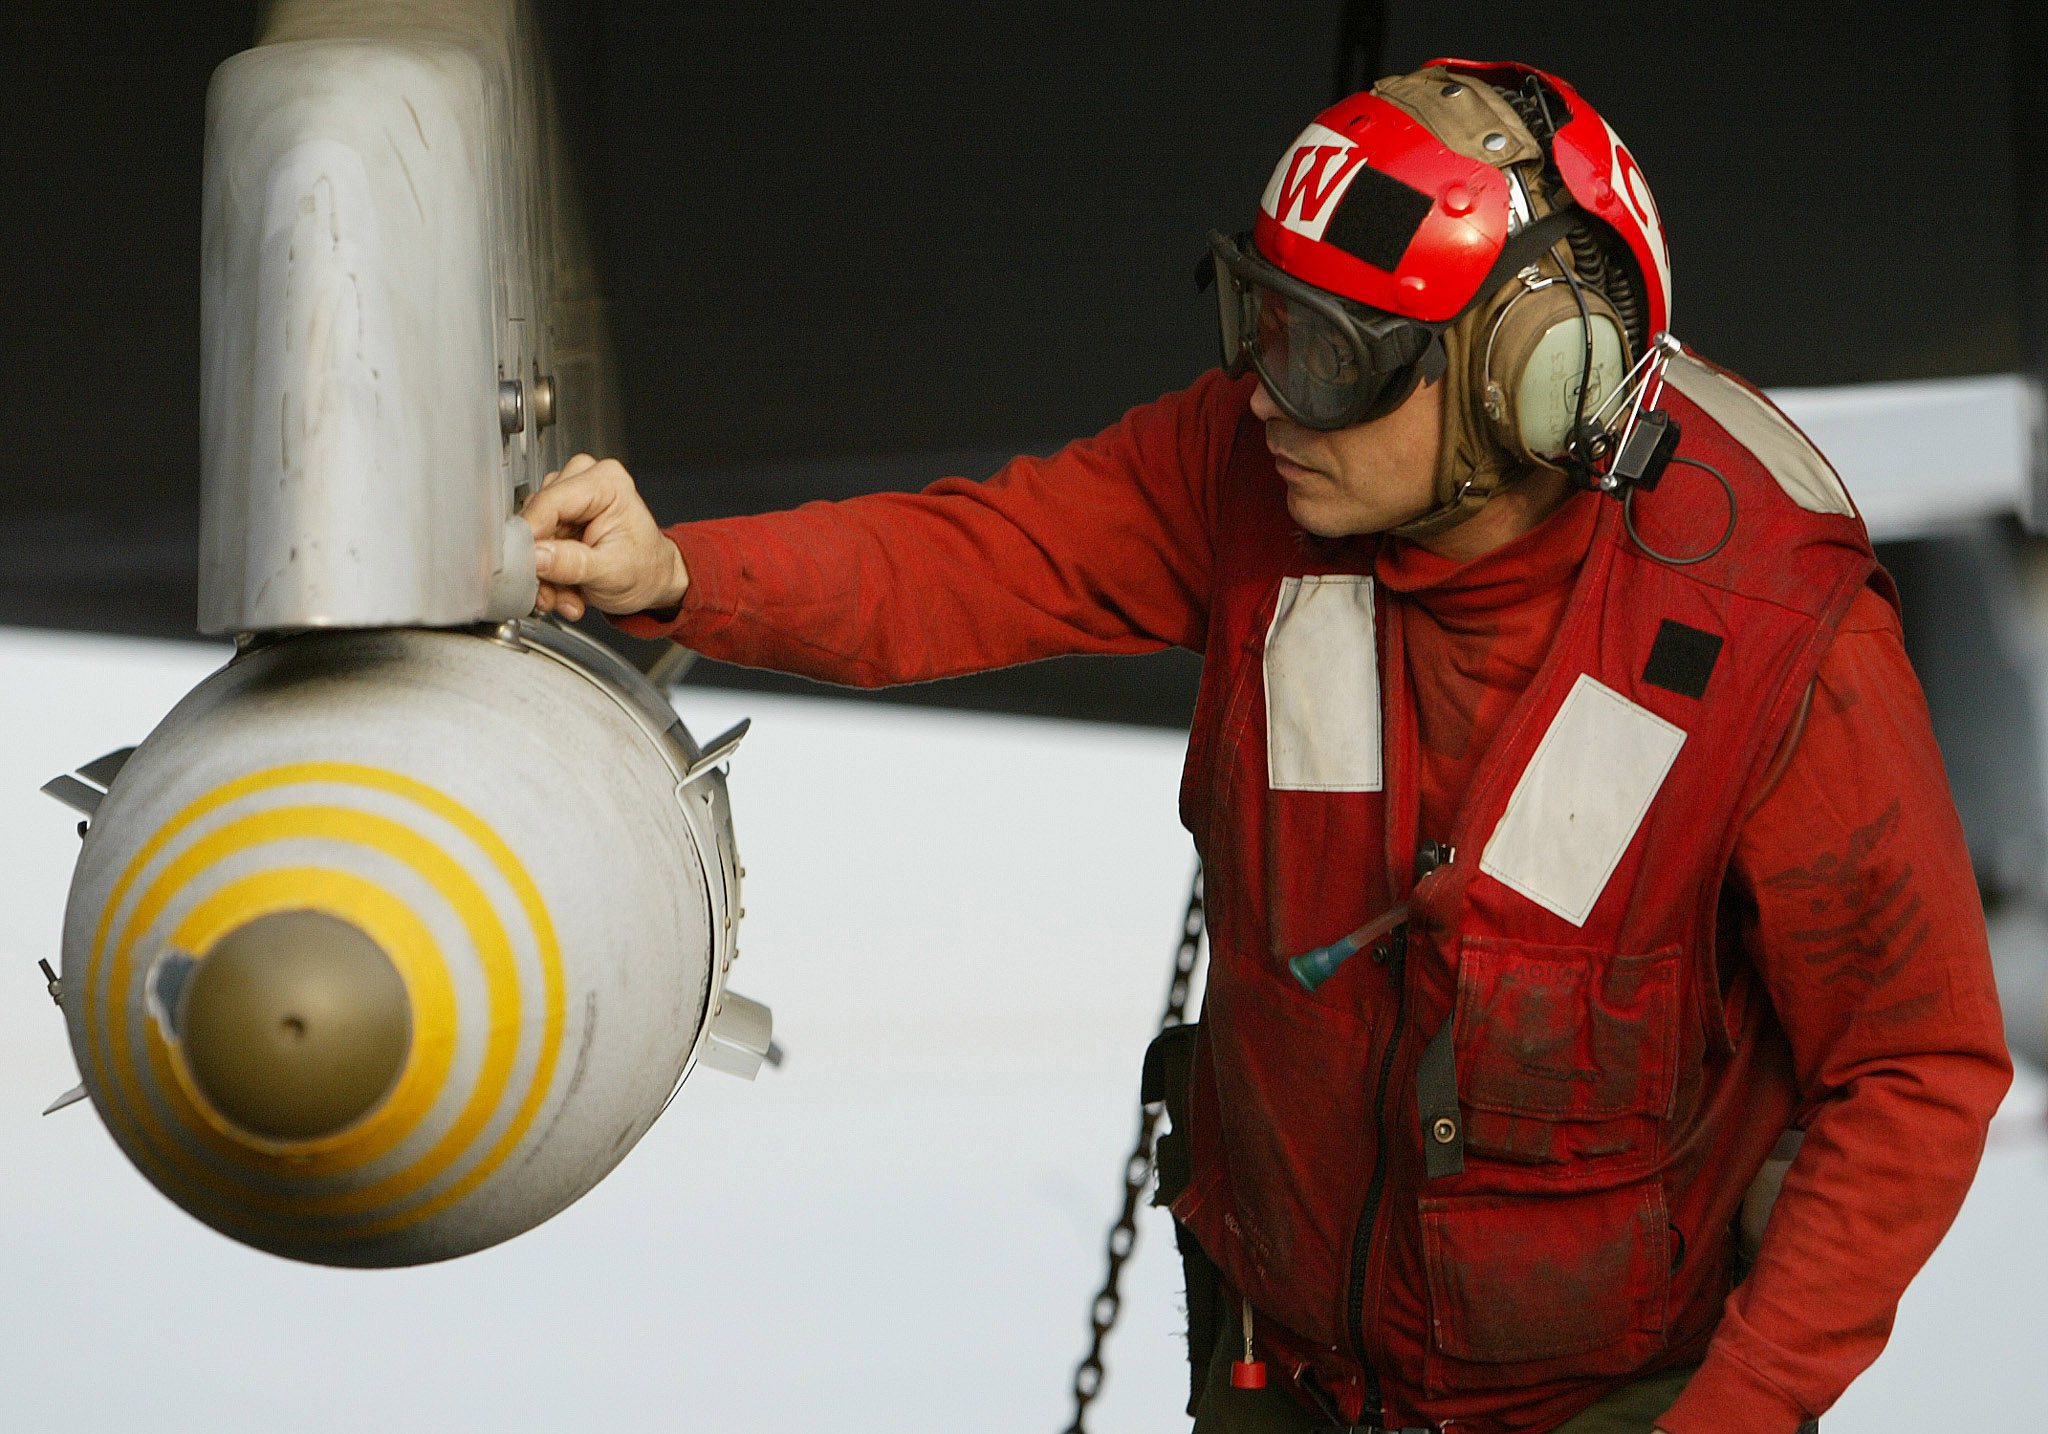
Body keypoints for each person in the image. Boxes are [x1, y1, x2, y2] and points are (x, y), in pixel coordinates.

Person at [518, 61, 2011, 1434]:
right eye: (1261, 319)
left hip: (1617, 1401)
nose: (1269, 390)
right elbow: (980, 560)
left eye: (1336, 354)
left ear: (1526, 382)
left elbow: (1917, 1065)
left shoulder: (1768, 627)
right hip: (1284, 1361)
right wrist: (680, 574)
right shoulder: (1251, 471)